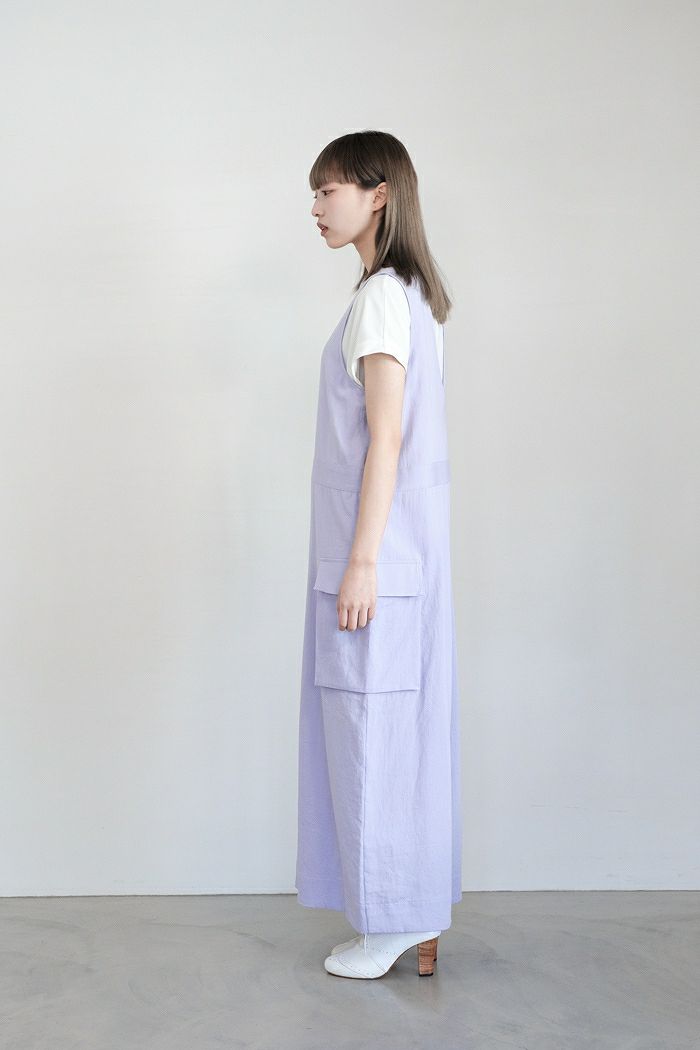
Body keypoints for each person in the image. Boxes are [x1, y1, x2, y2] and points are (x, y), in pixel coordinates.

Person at [295, 130, 462, 980]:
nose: (316, 206)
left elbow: (384, 440)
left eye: (329, 190)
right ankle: (405, 916)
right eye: (316, 191)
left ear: (379, 195)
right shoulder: (404, 296)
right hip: (402, 564)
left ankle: (393, 921)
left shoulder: (381, 299)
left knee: (372, 740)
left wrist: (361, 562)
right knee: (396, 741)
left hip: (377, 566)